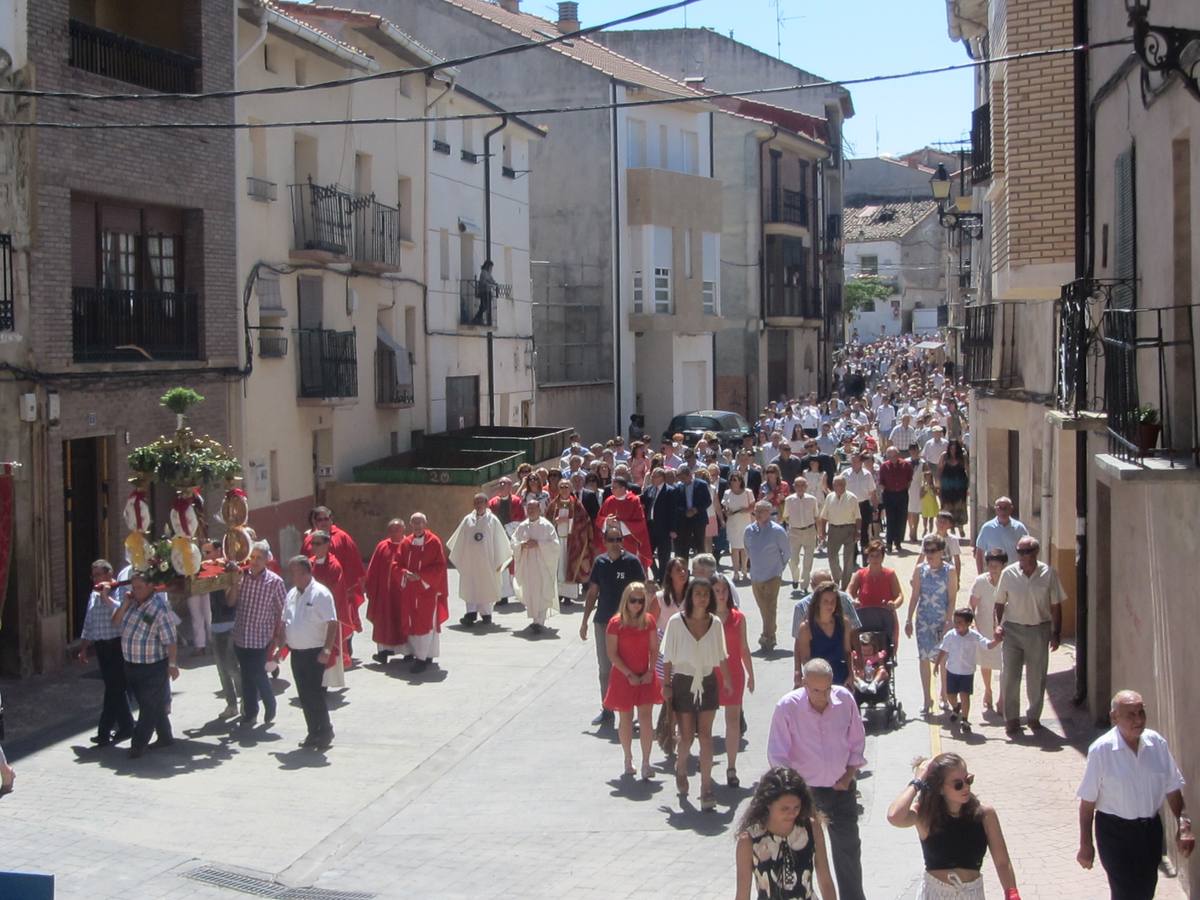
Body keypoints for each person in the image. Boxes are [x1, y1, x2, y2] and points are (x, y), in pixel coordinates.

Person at [1077, 690, 1194, 899]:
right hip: (1115, 834)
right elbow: (1087, 803)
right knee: (1125, 892)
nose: (1138, 720)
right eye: (1130, 714)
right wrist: (1086, 844)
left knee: (1145, 891)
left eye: (1141, 712)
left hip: (1150, 832)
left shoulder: (1157, 744)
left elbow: (1173, 788)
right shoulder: (1101, 750)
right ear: (1114, 717)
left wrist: (1183, 824)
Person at [767, 658, 867, 900]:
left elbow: (857, 741)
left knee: (848, 850)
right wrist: (793, 792)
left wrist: (849, 775)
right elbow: (777, 755)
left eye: (827, 689)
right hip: (805, 794)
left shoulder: (845, 700)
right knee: (801, 852)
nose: (823, 696)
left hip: (841, 788)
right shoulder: (787, 707)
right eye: (816, 690)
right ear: (804, 684)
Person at [887, 753, 1021, 899]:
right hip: (935, 894)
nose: (966, 787)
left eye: (968, 780)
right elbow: (894, 816)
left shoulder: (985, 814)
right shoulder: (925, 815)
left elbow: (1002, 862)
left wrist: (1012, 894)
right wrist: (917, 782)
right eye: (958, 784)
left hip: (972, 894)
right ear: (940, 788)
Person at [662, 578, 730, 811]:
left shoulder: (715, 623)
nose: (702, 598)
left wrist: (728, 680)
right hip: (682, 681)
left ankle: (706, 787)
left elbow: (722, 655)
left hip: (708, 682)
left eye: (706, 594)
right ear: (690, 596)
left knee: (706, 736)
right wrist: (666, 683)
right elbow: (667, 656)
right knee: (687, 736)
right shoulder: (676, 622)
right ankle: (681, 768)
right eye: (698, 593)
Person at [993, 536, 1064, 737]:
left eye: (1027, 551)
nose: (1023, 556)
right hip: (1012, 630)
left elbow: (1056, 605)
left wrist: (1056, 633)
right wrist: (998, 626)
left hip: (1039, 630)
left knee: (1037, 677)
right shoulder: (1008, 573)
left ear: (1036, 552)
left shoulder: (1048, 574)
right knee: (1010, 676)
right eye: (1020, 552)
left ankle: (1033, 717)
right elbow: (999, 602)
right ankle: (1011, 720)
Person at [734, 767, 837, 900]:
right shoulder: (748, 840)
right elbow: (742, 894)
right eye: (784, 808)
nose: (792, 813)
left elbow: (826, 881)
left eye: (796, 807)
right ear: (768, 804)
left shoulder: (811, 829)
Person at [581, 525, 646, 727]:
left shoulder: (632, 562)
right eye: (612, 540)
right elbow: (593, 592)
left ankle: (633, 711)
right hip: (604, 622)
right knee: (605, 669)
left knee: (632, 668)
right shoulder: (600, 562)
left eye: (619, 539)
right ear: (605, 542)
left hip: (629, 623)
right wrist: (584, 621)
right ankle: (607, 709)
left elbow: (643, 591)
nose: (616, 544)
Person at [112, 572, 180, 759]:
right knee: (150, 703)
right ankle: (165, 736)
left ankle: (138, 745)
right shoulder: (132, 605)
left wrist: (172, 664)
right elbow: (115, 622)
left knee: (148, 707)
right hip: (131, 664)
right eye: (134, 588)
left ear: (151, 587)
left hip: (153, 666)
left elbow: (171, 640)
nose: (136, 591)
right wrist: (125, 604)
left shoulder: (160, 609)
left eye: (139, 587)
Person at [603, 582, 662, 780]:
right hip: (623, 676)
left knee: (646, 718)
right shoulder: (615, 623)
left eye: (641, 601)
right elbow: (612, 654)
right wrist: (629, 674)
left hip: (645, 674)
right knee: (625, 718)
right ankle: (628, 759)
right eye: (633, 600)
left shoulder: (649, 621)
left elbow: (654, 649)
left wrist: (650, 671)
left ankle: (646, 762)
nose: (637, 604)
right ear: (625, 601)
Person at [282, 556, 339, 750]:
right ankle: (313, 732)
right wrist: (279, 648)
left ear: (306, 573)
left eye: (294, 572)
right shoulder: (291, 594)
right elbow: (285, 622)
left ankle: (325, 730)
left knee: (315, 694)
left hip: (315, 653)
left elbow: (332, 623)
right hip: (297, 653)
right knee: (304, 695)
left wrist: (326, 650)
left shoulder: (321, 594)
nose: (291, 577)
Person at [228, 541, 286, 727]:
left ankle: (270, 703)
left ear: (267, 560)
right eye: (252, 557)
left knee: (258, 673)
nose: (254, 561)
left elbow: (283, 611)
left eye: (259, 558)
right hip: (240, 636)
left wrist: (279, 638)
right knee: (246, 676)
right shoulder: (242, 577)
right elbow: (230, 602)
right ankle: (251, 713)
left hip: (260, 638)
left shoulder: (275, 582)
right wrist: (234, 584)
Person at [77, 559, 133, 746]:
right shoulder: (94, 594)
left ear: (109, 574)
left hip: (116, 644)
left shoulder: (120, 590)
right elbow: (89, 621)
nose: (95, 579)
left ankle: (106, 730)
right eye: (93, 576)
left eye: (98, 575)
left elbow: (123, 611)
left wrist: (106, 596)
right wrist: (84, 648)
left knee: (114, 688)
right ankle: (124, 726)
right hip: (101, 646)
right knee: (114, 689)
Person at [906, 534, 958, 717]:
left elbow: (952, 598)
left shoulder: (950, 571)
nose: (929, 554)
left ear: (941, 551)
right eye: (926, 550)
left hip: (942, 621)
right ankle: (927, 699)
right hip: (923, 620)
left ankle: (944, 696)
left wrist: (948, 621)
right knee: (924, 659)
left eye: (933, 551)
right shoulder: (920, 570)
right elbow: (914, 596)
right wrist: (908, 619)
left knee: (943, 659)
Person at [447, 493, 512, 627]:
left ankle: (486, 614)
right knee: (470, 585)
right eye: (476, 502)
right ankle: (470, 614)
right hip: (470, 562)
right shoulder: (467, 520)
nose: (478, 505)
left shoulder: (493, 520)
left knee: (485, 586)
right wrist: (461, 557)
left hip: (488, 562)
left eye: (481, 502)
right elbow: (460, 540)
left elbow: (500, 541)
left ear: (487, 504)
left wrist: (499, 560)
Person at [713, 573, 754, 788]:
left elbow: (744, 648)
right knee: (705, 722)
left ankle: (731, 767)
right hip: (709, 674)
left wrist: (751, 674)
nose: (721, 595)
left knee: (732, 721)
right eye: (717, 591)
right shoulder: (704, 618)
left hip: (734, 672)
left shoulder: (738, 617)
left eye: (724, 590)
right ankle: (706, 761)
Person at [302, 506, 366, 644]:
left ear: (332, 519)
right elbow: (303, 566)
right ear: (314, 521)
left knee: (342, 626)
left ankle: (345, 650)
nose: (324, 522)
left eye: (326, 518)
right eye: (320, 519)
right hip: (314, 595)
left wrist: (349, 589)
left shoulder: (342, 537)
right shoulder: (309, 540)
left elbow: (353, 564)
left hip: (340, 592)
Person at [935, 608, 1001, 733]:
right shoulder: (950, 635)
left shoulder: (974, 636)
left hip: (967, 673)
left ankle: (965, 720)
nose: (956, 624)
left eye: (960, 622)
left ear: (968, 623)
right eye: (955, 621)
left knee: (965, 696)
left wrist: (996, 641)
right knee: (950, 695)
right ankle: (956, 707)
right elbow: (943, 650)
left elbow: (987, 645)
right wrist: (937, 664)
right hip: (952, 671)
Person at [201, 540, 240, 720]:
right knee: (222, 670)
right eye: (204, 553)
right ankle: (231, 705)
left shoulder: (228, 568)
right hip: (216, 625)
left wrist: (233, 581)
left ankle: (246, 701)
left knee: (232, 668)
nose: (205, 557)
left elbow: (231, 602)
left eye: (208, 552)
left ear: (218, 551)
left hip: (230, 625)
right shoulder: (209, 571)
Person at [744, 500, 790, 652]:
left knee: (770, 607)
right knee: (764, 608)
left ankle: (766, 637)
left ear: (769, 513)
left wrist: (779, 568)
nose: (757, 514)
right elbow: (747, 549)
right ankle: (771, 633)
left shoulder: (778, 531)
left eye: (761, 511)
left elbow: (786, 552)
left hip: (772, 575)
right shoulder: (749, 531)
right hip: (756, 576)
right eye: (756, 511)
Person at [512, 498, 561, 637]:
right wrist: (522, 545)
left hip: (542, 566)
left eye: (533, 508)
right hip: (528, 566)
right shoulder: (522, 526)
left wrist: (538, 544)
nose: (531, 511)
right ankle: (535, 620)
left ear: (539, 510)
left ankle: (539, 622)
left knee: (542, 591)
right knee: (531, 592)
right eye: (529, 508)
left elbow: (555, 545)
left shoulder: (547, 526)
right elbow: (514, 542)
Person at [969, 549, 1008, 713]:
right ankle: (988, 690)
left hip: (1005, 627)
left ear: (1003, 565)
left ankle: (1002, 697)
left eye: (996, 566)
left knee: (1005, 663)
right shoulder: (980, 582)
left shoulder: (1009, 581)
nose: (993, 569)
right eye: (990, 565)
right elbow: (972, 605)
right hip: (984, 626)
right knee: (986, 661)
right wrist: (972, 624)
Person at [793, 583, 852, 689]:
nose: (830, 605)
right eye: (825, 601)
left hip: (841, 674)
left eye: (833, 601)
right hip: (818, 676)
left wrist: (851, 675)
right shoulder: (806, 628)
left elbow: (848, 652)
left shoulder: (844, 623)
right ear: (818, 603)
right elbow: (805, 659)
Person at [307, 530, 352, 668]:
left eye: (318, 544)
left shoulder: (334, 566)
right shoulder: (309, 564)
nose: (314, 547)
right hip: (311, 615)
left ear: (327, 545)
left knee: (331, 651)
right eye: (312, 543)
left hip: (327, 615)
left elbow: (336, 593)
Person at [366, 518, 407, 662]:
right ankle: (383, 652)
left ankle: (407, 652)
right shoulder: (382, 546)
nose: (394, 532)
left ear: (403, 530)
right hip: (384, 595)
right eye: (392, 530)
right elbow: (372, 570)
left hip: (403, 594)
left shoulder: (408, 545)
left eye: (397, 529)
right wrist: (371, 589)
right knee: (383, 622)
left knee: (403, 622)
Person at [594, 475, 653, 572]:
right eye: (611, 487)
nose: (611, 490)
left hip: (629, 543)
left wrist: (620, 525)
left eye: (614, 487)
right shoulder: (609, 501)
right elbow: (599, 519)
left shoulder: (634, 501)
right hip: (610, 543)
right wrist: (606, 521)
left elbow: (640, 524)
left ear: (623, 488)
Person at [819, 475, 861, 589]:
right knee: (832, 557)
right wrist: (822, 532)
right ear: (833, 485)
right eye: (836, 484)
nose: (839, 487)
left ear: (845, 485)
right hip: (834, 530)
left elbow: (858, 517)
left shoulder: (852, 497)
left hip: (849, 529)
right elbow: (824, 516)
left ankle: (845, 586)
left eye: (841, 484)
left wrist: (858, 531)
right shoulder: (829, 497)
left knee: (848, 559)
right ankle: (837, 578)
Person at [642, 466, 680, 581]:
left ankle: (662, 579)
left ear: (662, 478)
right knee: (647, 553)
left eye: (654, 476)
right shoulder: (649, 489)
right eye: (651, 476)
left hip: (664, 528)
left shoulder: (670, 491)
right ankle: (656, 573)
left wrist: (673, 529)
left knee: (664, 555)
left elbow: (674, 511)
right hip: (650, 526)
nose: (652, 478)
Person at [973, 497, 1029, 573]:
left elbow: (1027, 551)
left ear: (1011, 509)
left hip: (1014, 574)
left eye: (1005, 508)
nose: (1003, 511)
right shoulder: (987, 528)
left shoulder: (1019, 528)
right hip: (994, 574)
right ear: (995, 509)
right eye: (1000, 508)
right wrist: (980, 574)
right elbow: (979, 553)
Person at [782, 477, 819, 590]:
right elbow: (785, 516)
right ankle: (795, 578)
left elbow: (816, 516)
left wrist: (818, 532)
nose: (800, 488)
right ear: (794, 487)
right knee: (793, 560)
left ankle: (804, 584)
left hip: (809, 531)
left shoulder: (812, 499)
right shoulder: (789, 500)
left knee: (808, 561)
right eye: (797, 485)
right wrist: (794, 524)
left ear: (806, 487)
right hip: (794, 532)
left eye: (803, 485)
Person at [842, 452, 877, 566]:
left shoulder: (867, 474)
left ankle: (865, 559)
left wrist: (875, 508)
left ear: (861, 462)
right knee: (851, 531)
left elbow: (872, 492)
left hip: (864, 505)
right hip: (850, 506)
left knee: (864, 532)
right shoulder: (845, 474)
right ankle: (852, 557)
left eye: (857, 461)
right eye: (853, 461)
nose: (854, 463)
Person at [671, 465, 711, 564]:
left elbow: (707, 501)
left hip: (699, 519)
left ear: (689, 475)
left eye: (684, 478)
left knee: (700, 545)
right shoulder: (678, 487)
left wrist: (696, 510)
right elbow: (676, 504)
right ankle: (684, 569)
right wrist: (685, 512)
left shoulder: (701, 484)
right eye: (680, 479)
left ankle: (701, 568)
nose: (682, 481)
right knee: (683, 547)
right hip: (684, 520)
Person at [877, 446, 913, 553]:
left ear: (898, 455)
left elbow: (909, 480)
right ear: (887, 456)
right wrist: (888, 492)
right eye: (890, 456)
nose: (893, 458)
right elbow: (881, 482)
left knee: (901, 519)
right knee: (891, 519)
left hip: (902, 494)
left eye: (895, 455)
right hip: (889, 495)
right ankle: (889, 543)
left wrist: (902, 489)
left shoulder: (906, 465)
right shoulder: (884, 466)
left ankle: (898, 541)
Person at [937, 439, 969, 537]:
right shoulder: (944, 456)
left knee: (959, 507)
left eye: (955, 448)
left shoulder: (962, 457)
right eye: (951, 448)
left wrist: (969, 486)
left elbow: (967, 469)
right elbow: (939, 470)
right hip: (946, 487)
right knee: (948, 508)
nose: (953, 450)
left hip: (960, 487)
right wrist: (938, 484)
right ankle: (951, 527)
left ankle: (960, 527)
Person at [919, 468, 939, 535]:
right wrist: (925, 491)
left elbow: (936, 494)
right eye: (926, 477)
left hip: (932, 504)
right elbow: (921, 496)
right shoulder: (922, 486)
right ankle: (925, 528)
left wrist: (933, 489)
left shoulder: (933, 486)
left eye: (929, 477)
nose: (928, 479)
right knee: (925, 518)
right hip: (925, 504)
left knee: (931, 519)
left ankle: (930, 532)